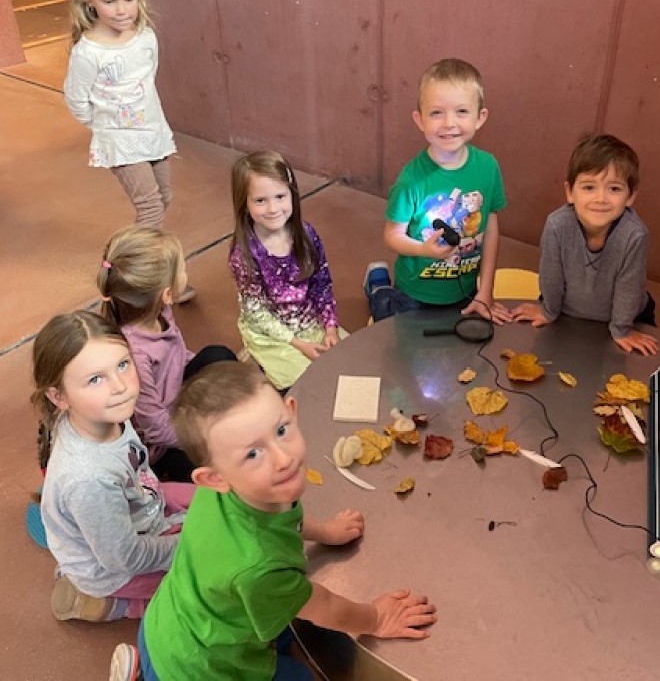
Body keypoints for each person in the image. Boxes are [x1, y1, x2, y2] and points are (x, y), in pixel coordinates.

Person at [136, 361, 437, 680]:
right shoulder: (258, 567)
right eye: (253, 454)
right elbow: (323, 605)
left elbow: (283, 516)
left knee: (278, 623)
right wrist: (375, 618)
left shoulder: (238, 488)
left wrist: (326, 532)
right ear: (214, 478)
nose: (283, 459)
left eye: (281, 431)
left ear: (291, 411)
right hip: (198, 667)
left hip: (176, 618)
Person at [32, 311, 195, 623]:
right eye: (95, 379)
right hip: (115, 570)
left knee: (217, 499)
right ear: (59, 397)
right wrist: (187, 543)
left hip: (142, 502)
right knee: (211, 579)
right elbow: (126, 558)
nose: (120, 386)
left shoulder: (105, 413)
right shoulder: (88, 480)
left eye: (123, 364)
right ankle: (110, 603)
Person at [364, 58, 512, 325]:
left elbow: (490, 229)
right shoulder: (411, 179)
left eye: (461, 111)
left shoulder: (488, 167)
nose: (448, 123)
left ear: (480, 117)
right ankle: (379, 287)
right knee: (392, 328)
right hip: (414, 292)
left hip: (465, 290)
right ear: (419, 120)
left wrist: (485, 291)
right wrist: (424, 250)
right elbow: (392, 235)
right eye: (436, 113)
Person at [99, 225, 237, 482]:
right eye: (182, 269)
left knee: (219, 357)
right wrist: (204, 438)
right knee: (212, 472)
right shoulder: (135, 354)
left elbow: (177, 355)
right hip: (163, 445)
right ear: (167, 294)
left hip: (176, 399)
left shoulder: (160, 312)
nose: (185, 272)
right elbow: (156, 429)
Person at [63, 0, 178, 234]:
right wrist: (106, 126)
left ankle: (137, 255)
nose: (122, 9)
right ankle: (142, 265)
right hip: (120, 140)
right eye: (109, 1)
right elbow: (76, 99)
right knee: (150, 208)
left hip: (153, 131)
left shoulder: (145, 37)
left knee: (164, 197)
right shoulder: (88, 52)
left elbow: (148, 77)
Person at [510, 133, 659, 356]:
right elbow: (551, 275)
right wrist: (548, 311)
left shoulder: (634, 235)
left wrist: (622, 330)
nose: (600, 199)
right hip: (567, 311)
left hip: (626, 317)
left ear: (630, 197)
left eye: (614, 189)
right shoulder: (557, 225)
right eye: (589, 187)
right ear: (570, 192)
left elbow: (629, 287)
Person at [229, 150, 347, 390]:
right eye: (260, 200)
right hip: (272, 332)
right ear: (244, 204)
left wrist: (330, 327)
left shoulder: (306, 234)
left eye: (280, 196)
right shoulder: (243, 253)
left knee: (349, 363)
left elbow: (322, 284)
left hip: (310, 321)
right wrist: (299, 345)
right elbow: (256, 312)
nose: (273, 208)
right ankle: (255, 357)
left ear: (292, 194)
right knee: (303, 385)